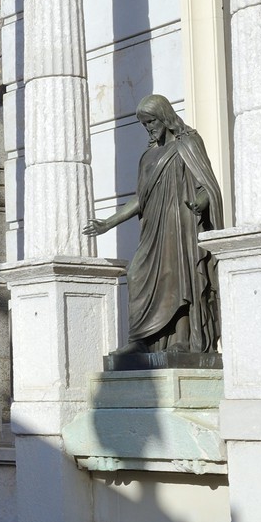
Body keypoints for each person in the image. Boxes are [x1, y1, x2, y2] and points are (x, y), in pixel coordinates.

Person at [84, 94, 224, 354]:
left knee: (180, 276)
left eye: (151, 121)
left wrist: (202, 202)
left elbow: (208, 185)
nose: (148, 128)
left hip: (182, 225)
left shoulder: (189, 144)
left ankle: (182, 339)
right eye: (144, 124)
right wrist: (108, 223)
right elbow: (141, 197)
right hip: (155, 228)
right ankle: (141, 341)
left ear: (164, 117)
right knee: (137, 272)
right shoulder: (148, 156)